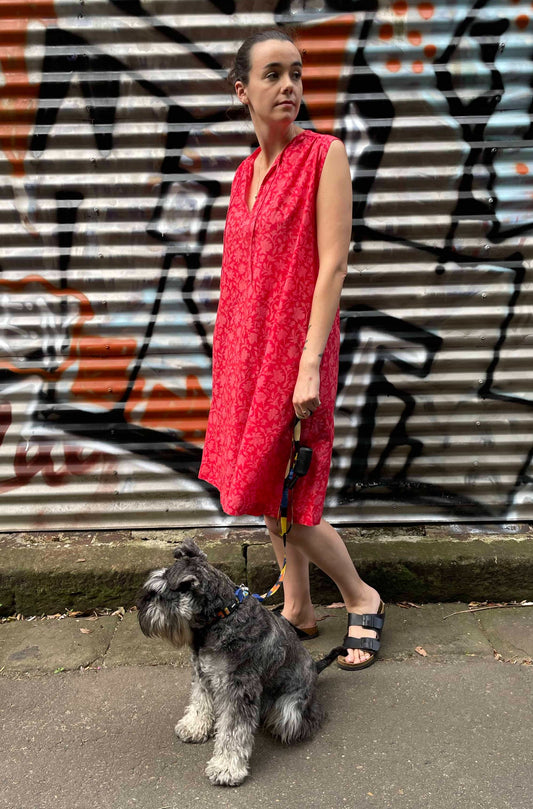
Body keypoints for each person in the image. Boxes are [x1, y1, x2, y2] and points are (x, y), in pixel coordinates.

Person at [198, 29, 385, 670]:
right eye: (273, 74)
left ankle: (361, 597)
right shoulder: (243, 175)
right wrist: (227, 360)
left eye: (296, 73)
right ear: (241, 90)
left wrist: (308, 364)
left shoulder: (323, 156)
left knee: (292, 498)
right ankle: (298, 607)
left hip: (297, 351)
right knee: (261, 487)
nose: (289, 86)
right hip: (245, 353)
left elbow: (333, 266)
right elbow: (237, 277)